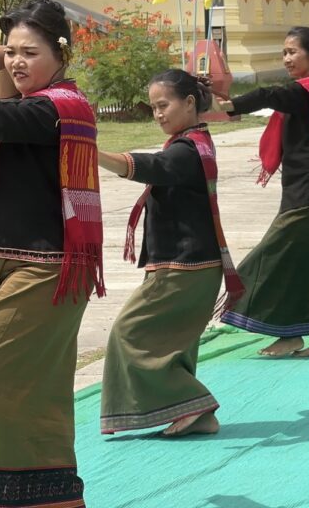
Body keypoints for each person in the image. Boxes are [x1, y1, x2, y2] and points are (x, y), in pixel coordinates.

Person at [0, 0, 104, 508]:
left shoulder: (60, 108)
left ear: (62, 54)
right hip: (12, 265)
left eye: (29, 52)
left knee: (19, 387)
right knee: (31, 395)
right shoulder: (27, 104)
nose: (16, 62)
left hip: (45, 273)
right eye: (9, 52)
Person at [96, 69, 244, 436]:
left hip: (185, 267)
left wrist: (93, 153)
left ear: (189, 103)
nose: (158, 114)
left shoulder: (187, 150)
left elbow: (156, 167)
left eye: (164, 105)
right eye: (153, 108)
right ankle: (197, 415)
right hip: (193, 263)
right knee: (173, 344)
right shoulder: (194, 142)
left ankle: (194, 403)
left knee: (128, 332)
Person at [214, 26, 309, 357]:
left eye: (292, 52)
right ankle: (308, 337)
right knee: (307, 267)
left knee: (268, 258)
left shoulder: (307, 91)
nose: (286, 58)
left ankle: (288, 330)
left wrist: (229, 106)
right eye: (284, 52)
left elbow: (268, 94)